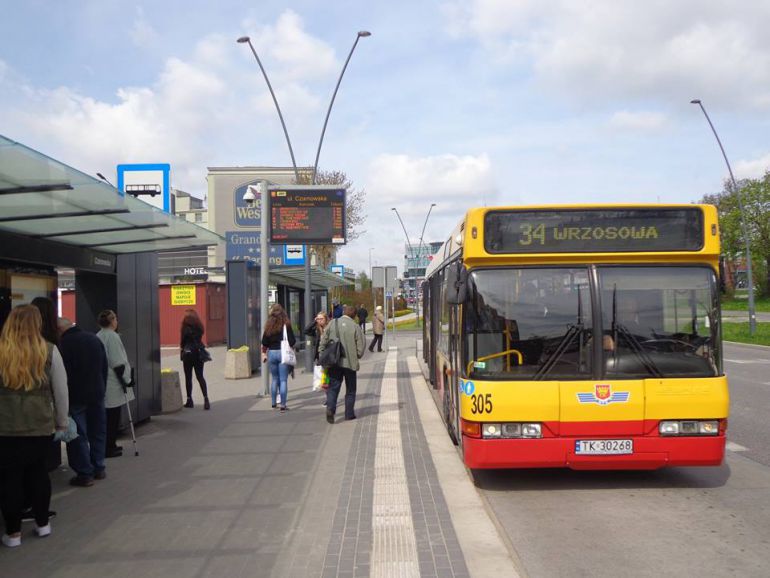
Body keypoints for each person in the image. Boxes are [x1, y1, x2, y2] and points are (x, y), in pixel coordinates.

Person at [0, 305, 68, 547]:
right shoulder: (49, 351)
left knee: (9, 479)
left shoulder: (2, 351)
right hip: (40, 426)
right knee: (38, 474)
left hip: (6, 427)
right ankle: (42, 524)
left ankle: (13, 534)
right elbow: (61, 391)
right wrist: (62, 421)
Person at [57, 318, 109, 487]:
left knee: (77, 435)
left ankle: (85, 473)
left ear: (59, 330)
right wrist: (102, 388)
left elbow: (62, 375)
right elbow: (104, 367)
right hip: (97, 393)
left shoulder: (64, 344)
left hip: (76, 396)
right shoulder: (94, 339)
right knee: (98, 431)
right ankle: (99, 467)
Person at [318, 305, 365, 424]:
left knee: (333, 388)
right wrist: (356, 355)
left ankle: (330, 409)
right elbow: (361, 347)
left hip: (334, 362)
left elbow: (323, 340)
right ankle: (349, 414)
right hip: (350, 363)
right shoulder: (355, 327)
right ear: (354, 316)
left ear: (344, 312)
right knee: (350, 389)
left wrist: (322, 354)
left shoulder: (333, 323)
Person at [96, 310, 133, 458]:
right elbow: (118, 362)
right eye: (115, 318)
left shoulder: (99, 335)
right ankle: (109, 447)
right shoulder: (113, 336)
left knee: (107, 417)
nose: (117, 321)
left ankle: (109, 445)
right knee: (113, 417)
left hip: (104, 380)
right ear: (112, 321)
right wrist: (127, 379)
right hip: (114, 381)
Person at [261, 304, 295, 413]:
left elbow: (264, 342)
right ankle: (283, 405)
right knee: (283, 379)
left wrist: (264, 353)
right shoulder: (286, 325)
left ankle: (273, 403)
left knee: (274, 379)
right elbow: (292, 341)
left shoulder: (268, 325)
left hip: (271, 353)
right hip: (283, 353)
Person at [180, 309, 210, 410]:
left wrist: (181, 351)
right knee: (200, 376)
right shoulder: (199, 327)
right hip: (198, 352)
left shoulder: (185, 327)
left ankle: (189, 400)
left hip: (188, 354)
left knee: (188, 377)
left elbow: (183, 342)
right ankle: (206, 399)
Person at [305, 311, 330, 405]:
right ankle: (329, 398)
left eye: (321, 319)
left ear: (326, 319)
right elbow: (306, 330)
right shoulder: (317, 329)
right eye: (318, 319)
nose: (319, 321)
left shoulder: (330, 328)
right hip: (320, 356)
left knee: (328, 377)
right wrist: (314, 322)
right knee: (325, 377)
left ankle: (330, 397)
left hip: (330, 356)